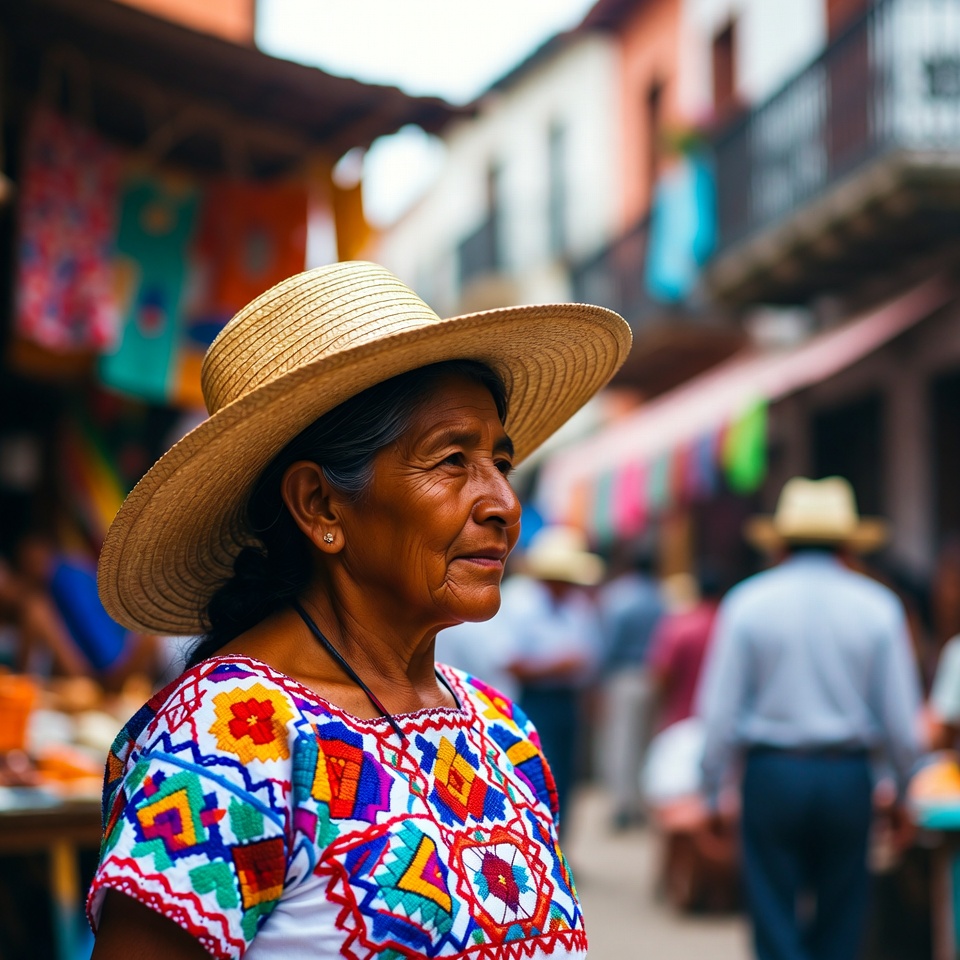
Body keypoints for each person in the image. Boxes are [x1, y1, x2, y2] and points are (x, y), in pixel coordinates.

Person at [85, 260, 630, 959]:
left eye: (500, 461)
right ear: (320, 505)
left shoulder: (500, 729)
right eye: (450, 461)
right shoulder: (229, 742)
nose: (503, 504)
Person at [696, 476, 924, 960]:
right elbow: (902, 721)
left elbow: (718, 711)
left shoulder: (747, 602)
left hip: (772, 775)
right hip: (848, 776)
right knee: (843, 917)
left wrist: (712, 792)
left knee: (774, 913)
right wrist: (905, 791)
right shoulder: (878, 606)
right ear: (849, 546)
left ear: (779, 544)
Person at [499, 526, 605, 836]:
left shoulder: (578, 605)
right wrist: (559, 666)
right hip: (533, 701)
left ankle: (560, 846)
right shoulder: (518, 601)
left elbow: (589, 659)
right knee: (534, 774)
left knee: (566, 777)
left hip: (567, 701)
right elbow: (510, 663)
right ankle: (535, 839)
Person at [596, 540, 664, 829]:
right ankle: (641, 802)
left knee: (621, 741)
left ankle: (623, 805)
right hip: (652, 676)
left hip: (622, 675)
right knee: (646, 742)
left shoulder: (617, 596)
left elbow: (605, 643)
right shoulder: (663, 598)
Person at [646, 566, 722, 733]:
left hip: (680, 720)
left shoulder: (680, 626)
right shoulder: (727, 626)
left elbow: (660, 674)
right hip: (717, 722)